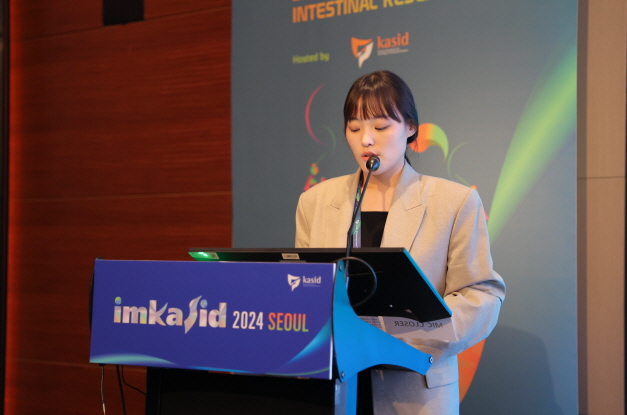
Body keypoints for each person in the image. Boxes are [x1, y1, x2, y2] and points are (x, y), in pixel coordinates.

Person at [295, 70, 505, 415]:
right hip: (335, 386)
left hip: (415, 388)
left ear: (410, 128)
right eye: (354, 128)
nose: (366, 140)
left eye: (380, 127)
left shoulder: (454, 202)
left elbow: (481, 293)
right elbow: (305, 287)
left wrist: (417, 332)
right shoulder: (315, 202)